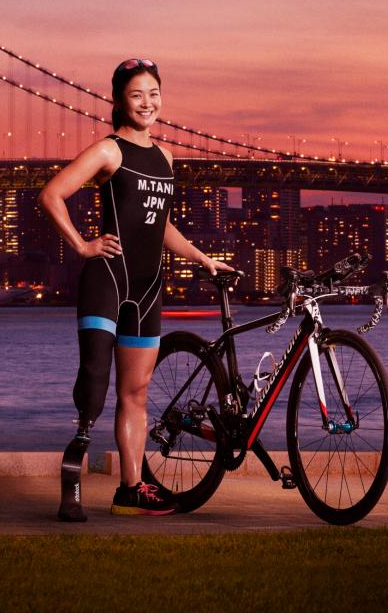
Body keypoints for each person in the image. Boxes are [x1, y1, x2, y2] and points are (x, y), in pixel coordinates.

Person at [40, 58, 234, 520]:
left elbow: (161, 224)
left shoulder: (165, 158)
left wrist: (202, 258)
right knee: (95, 381)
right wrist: (84, 246)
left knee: (137, 393)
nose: (147, 103)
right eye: (136, 95)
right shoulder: (109, 151)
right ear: (119, 101)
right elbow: (52, 194)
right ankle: (74, 469)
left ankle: (131, 489)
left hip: (148, 287)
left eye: (153, 93)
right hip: (107, 279)